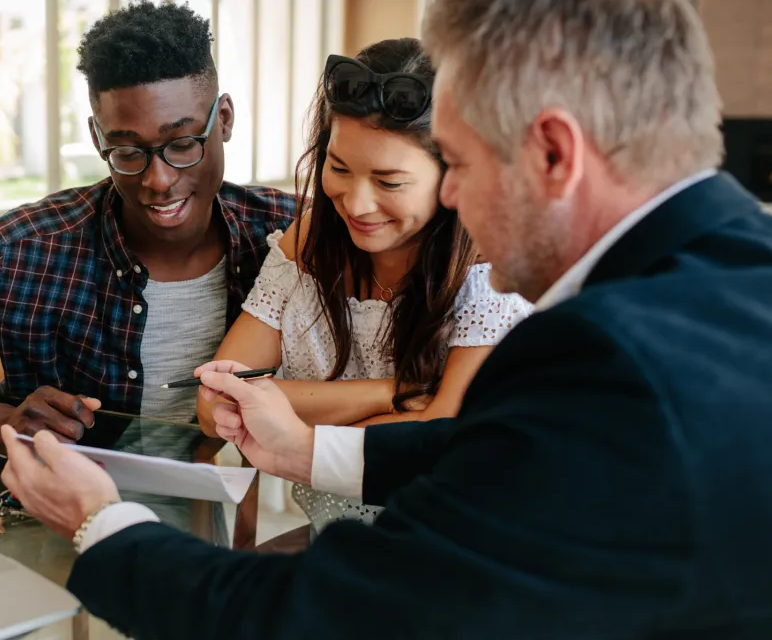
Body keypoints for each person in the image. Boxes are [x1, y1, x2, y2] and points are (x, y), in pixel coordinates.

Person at [0, 0, 772, 637]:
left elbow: (336, 618)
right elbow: (492, 450)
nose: (449, 194)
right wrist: (304, 452)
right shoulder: (771, 267)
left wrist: (101, 521)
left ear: (554, 153)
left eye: (454, 162)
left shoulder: (608, 358)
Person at [0, 1, 297, 449]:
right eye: (128, 152)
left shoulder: (291, 235)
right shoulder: (24, 250)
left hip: (225, 517)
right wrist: (4, 423)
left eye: (182, 144)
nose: (159, 180)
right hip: (46, 515)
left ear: (226, 120)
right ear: (98, 140)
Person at [198, 38, 530, 533]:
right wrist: (391, 394)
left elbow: (440, 436)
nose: (356, 203)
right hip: (334, 545)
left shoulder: (488, 266)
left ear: (453, 175)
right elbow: (217, 404)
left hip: (456, 552)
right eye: (338, 168)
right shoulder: (307, 242)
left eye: (389, 182)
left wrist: (289, 418)